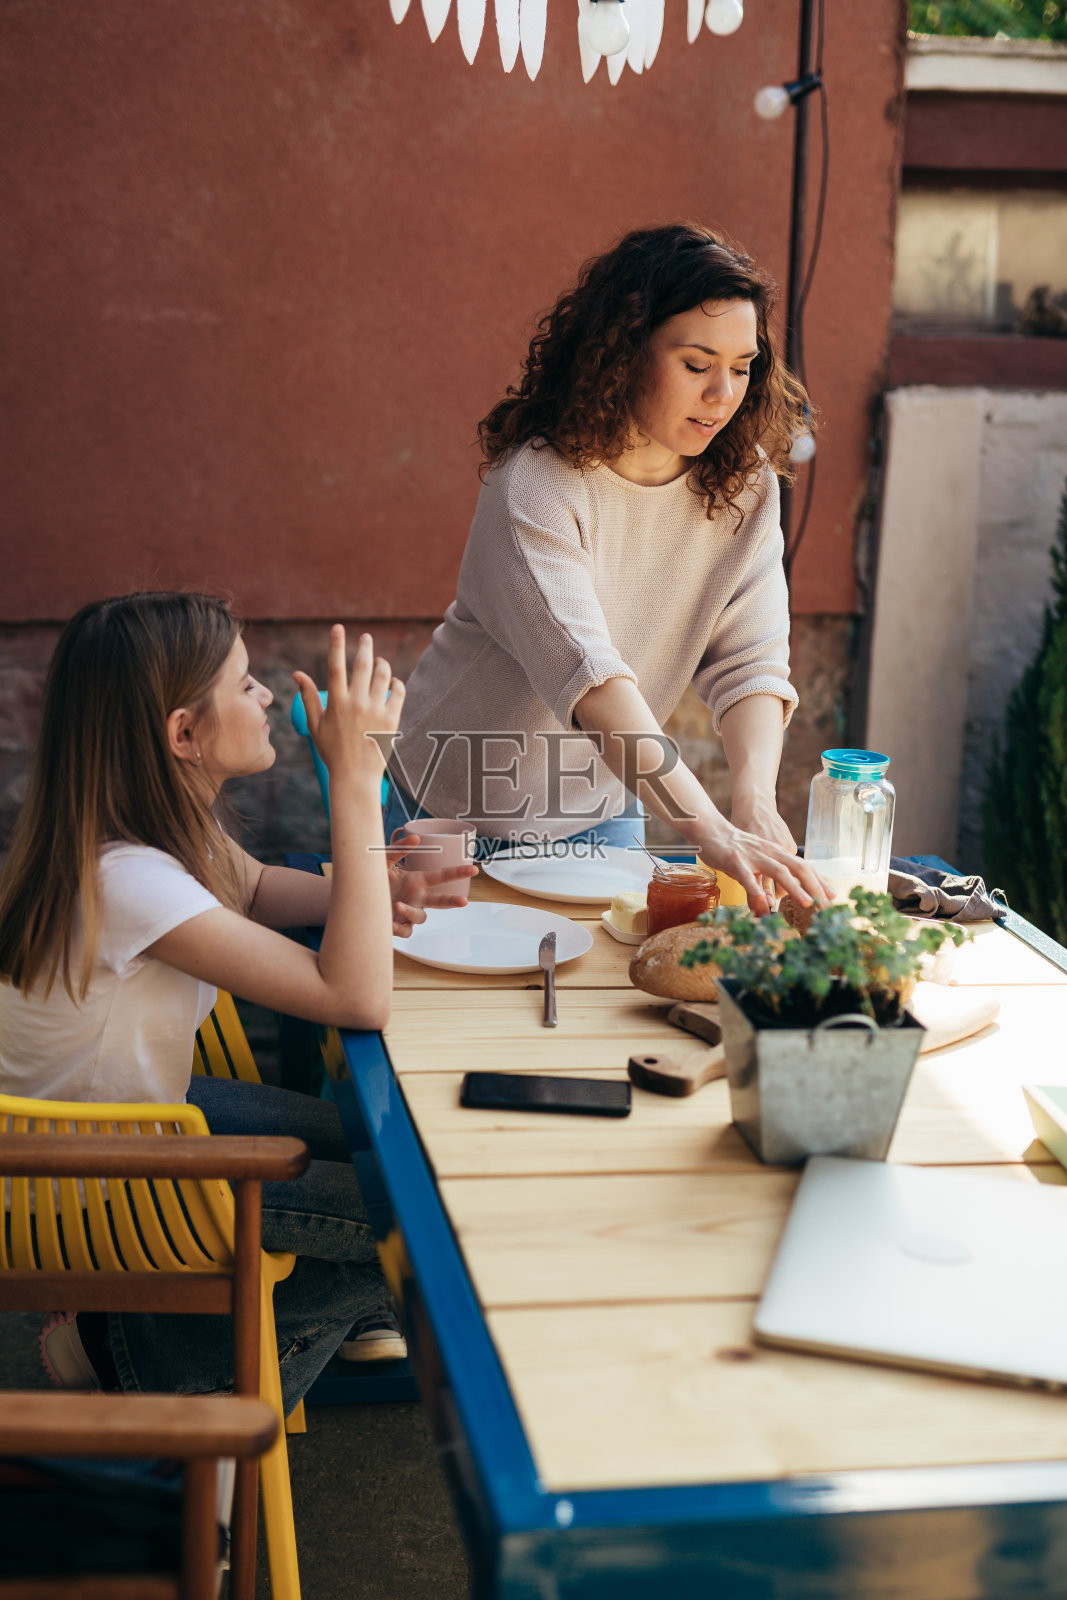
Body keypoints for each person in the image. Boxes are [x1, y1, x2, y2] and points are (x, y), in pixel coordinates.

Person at [0, 591, 474, 1413]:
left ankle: (160, 1331)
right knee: (429, 1225)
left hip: (115, 1126)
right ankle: (142, 1361)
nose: (266, 697)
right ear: (183, 735)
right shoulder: (129, 880)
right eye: (245, 683)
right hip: (80, 1182)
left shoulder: (144, 832)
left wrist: (374, 889)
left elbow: (250, 888)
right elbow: (354, 998)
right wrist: (355, 782)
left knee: (401, 1150)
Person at [383, 222, 828, 913]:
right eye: (696, 364)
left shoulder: (746, 487)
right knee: (434, 982)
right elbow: (589, 677)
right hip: (449, 806)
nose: (722, 393)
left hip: (599, 809)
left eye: (742, 368)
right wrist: (706, 827)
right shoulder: (537, 483)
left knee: (610, 978)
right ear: (624, 354)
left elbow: (752, 662)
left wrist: (754, 803)